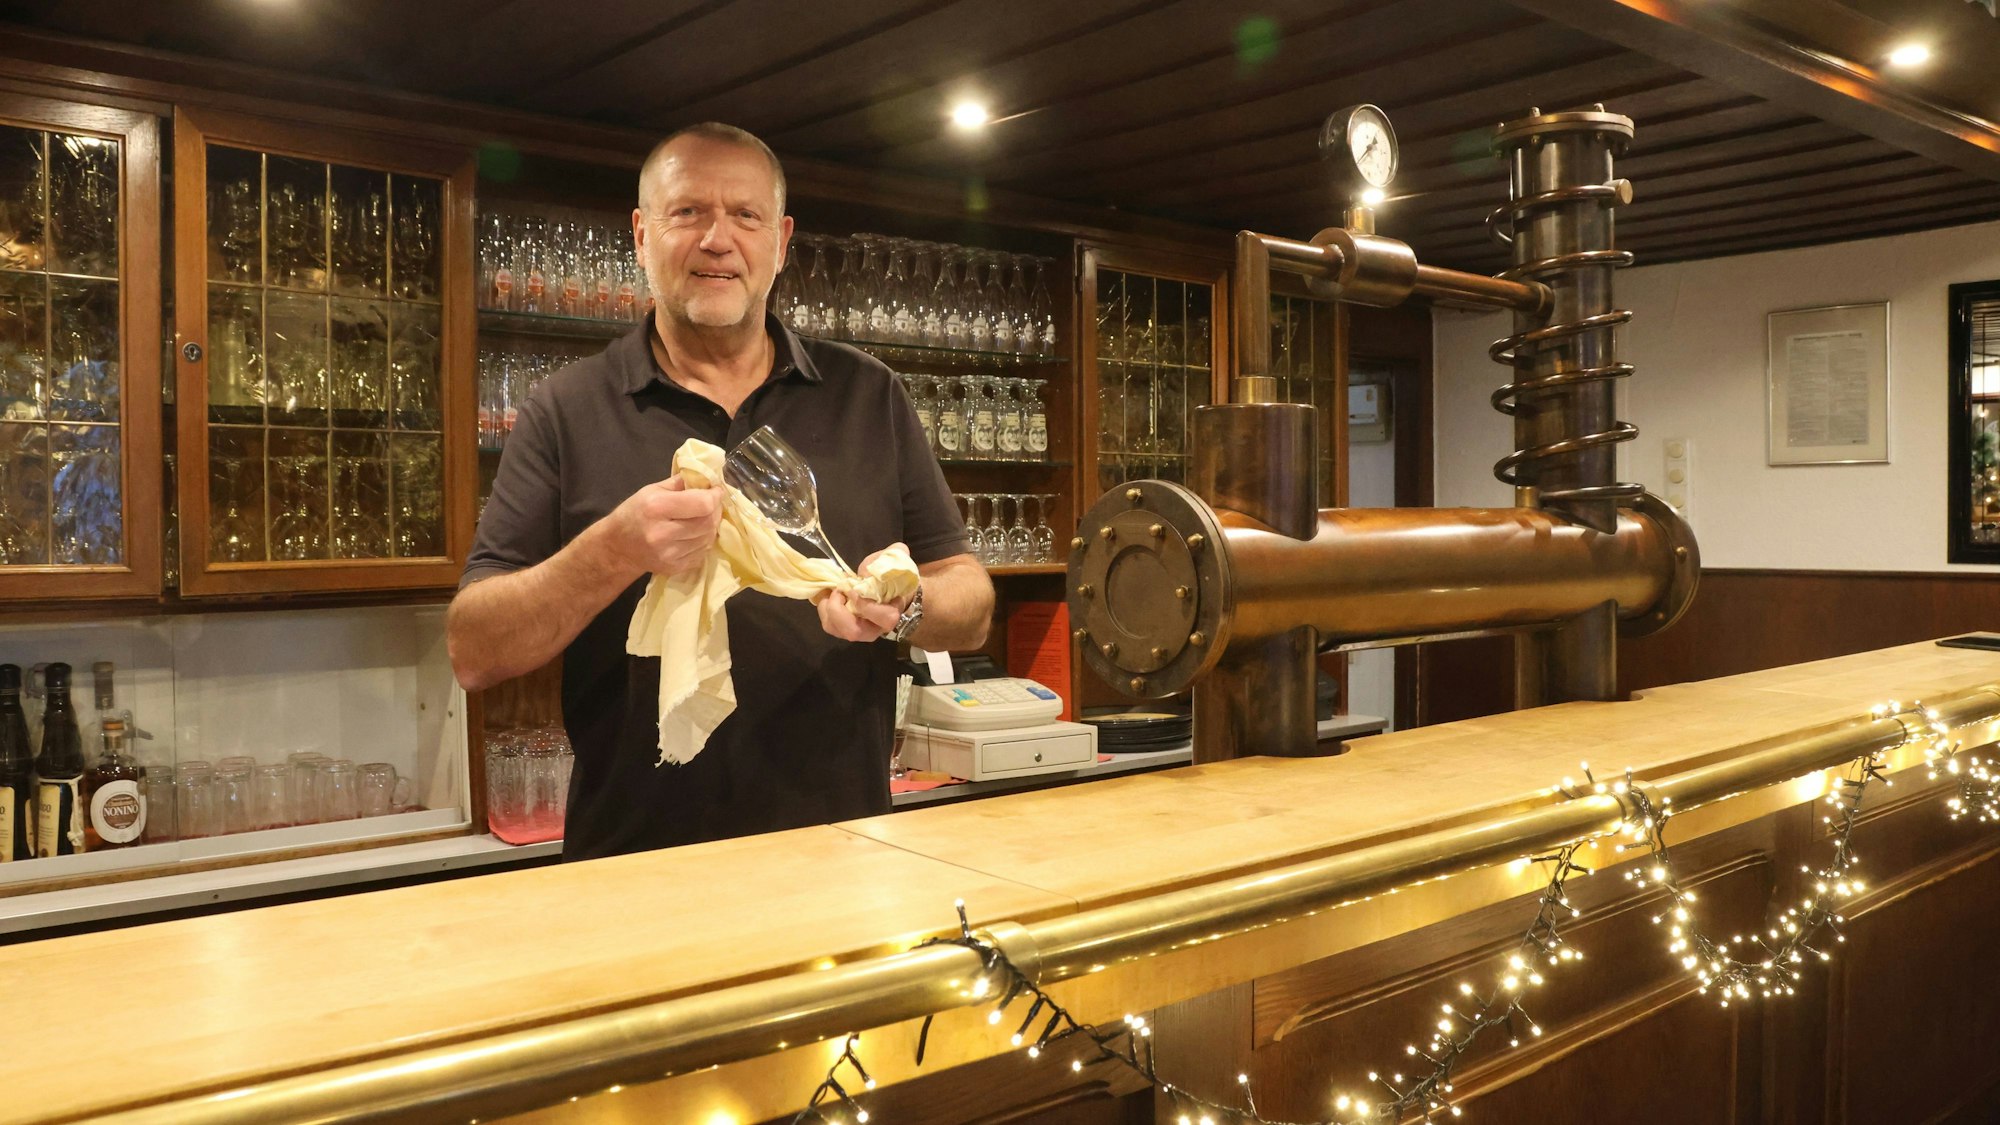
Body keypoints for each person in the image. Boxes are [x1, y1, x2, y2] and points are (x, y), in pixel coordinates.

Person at [448, 122, 992, 861]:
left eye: (745, 215)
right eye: (687, 213)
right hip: (636, 871)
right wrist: (616, 548)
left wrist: (904, 607)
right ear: (641, 236)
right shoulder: (566, 409)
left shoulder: (869, 395)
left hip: (846, 855)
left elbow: (972, 600)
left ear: (781, 240)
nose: (717, 239)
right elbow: (474, 649)